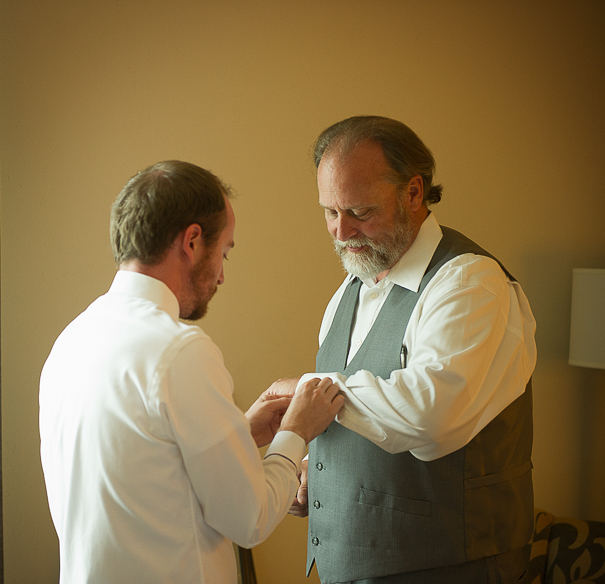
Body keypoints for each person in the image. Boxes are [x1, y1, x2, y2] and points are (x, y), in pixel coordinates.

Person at [39, 160, 345, 584]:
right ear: (193, 241)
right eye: (224, 252)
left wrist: (239, 432)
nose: (222, 275)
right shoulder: (180, 350)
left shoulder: (70, 342)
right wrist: (297, 430)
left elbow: (146, 468)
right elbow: (250, 519)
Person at [292, 116, 537, 583]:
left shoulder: (469, 283)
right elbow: (367, 413)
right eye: (329, 211)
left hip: (451, 567)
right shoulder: (349, 289)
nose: (341, 232)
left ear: (414, 192)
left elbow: (432, 414)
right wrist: (317, 472)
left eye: (360, 211)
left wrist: (307, 389)